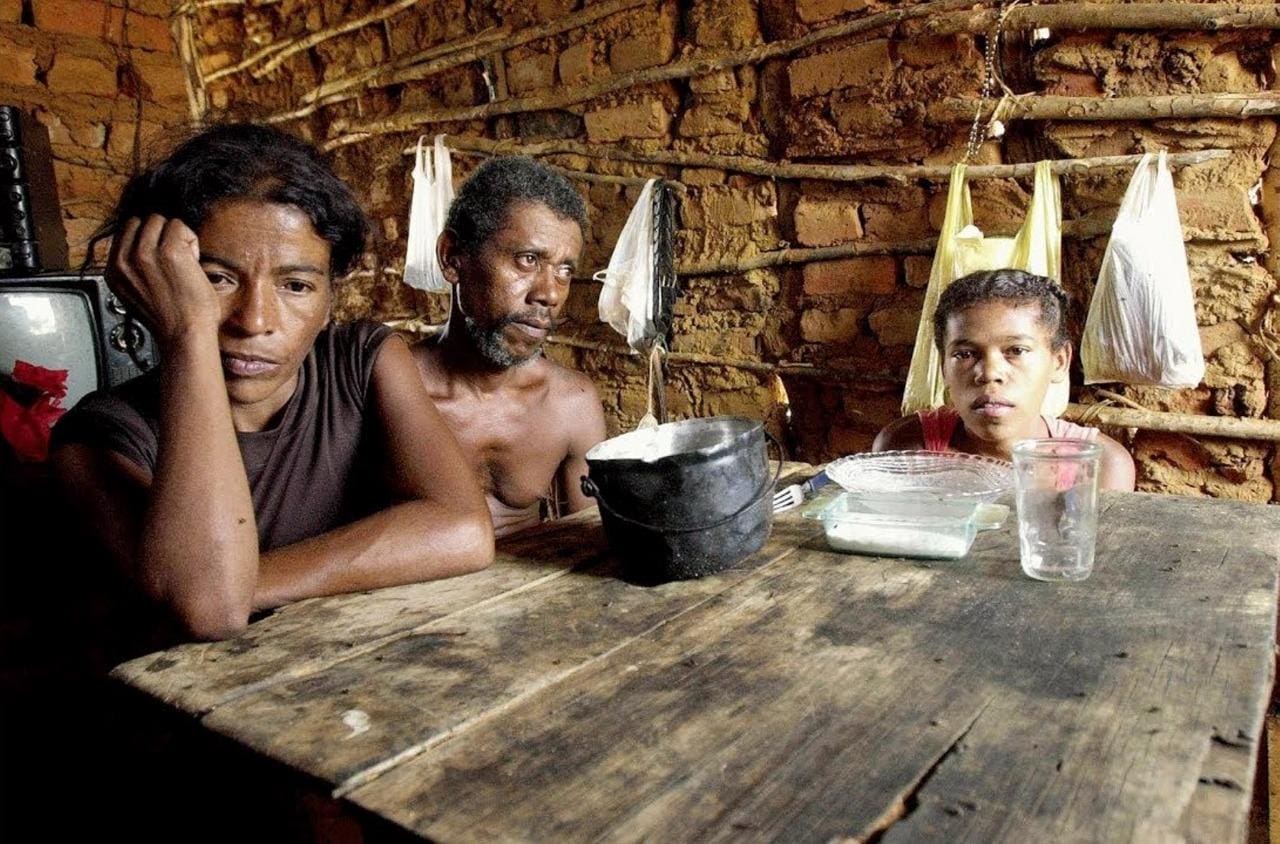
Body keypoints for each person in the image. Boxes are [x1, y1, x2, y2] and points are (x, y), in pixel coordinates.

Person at [50, 122, 494, 643]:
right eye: (216, 278)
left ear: (331, 297)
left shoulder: (362, 363)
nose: (254, 320)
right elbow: (209, 608)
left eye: (296, 285)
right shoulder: (99, 439)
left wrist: (246, 583)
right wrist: (188, 333)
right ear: (156, 279)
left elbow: (464, 531)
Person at [412, 156, 607, 537]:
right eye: (527, 260)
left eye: (565, 270)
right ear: (452, 257)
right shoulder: (391, 391)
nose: (549, 294)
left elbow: (590, 545)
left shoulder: (571, 403)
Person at [874, 268, 1136, 491]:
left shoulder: (1099, 466)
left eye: (1016, 351)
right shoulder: (906, 449)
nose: (989, 373)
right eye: (965, 354)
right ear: (943, 367)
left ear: (1059, 361)